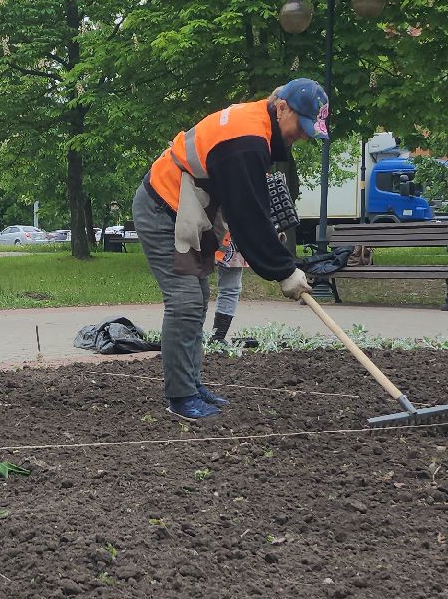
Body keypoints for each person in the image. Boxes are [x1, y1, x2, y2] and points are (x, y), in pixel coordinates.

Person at [134, 79, 328, 419]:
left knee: (197, 299)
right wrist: (283, 270)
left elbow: (249, 200)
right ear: (282, 108)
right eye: (302, 125)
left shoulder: (257, 126)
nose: (304, 135)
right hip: (164, 209)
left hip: (187, 210)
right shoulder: (245, 140)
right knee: (185, 301)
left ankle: (190, 384)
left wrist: (271, 241)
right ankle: (181, 397)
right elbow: (245, 216)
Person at [210, 230, 244, 345]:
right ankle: (216, 338)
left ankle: (218, 337)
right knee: (192, 285)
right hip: (201, 231)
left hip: (233, 235)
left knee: (231, 287)